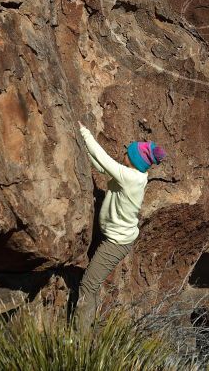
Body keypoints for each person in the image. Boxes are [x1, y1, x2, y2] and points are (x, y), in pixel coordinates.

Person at [75, 121, 166, 331]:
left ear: (134, 160)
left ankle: (79, 342)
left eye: (128, 151)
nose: (124, 152)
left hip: (116, 242)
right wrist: (82, 149)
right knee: (93, 284)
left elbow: (105, 161)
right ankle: (90, 327)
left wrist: (84, 133)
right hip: (116, 237)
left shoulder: (131, 178)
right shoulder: (134, 175)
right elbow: (102, 167)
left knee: (88, 285)